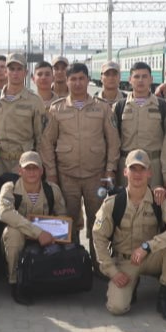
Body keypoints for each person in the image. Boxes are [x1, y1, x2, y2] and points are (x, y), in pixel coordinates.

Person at [91, 150, 166, 320]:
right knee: (117, 307)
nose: (137, 174)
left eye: (142, 169)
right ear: (125, 172)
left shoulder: (160, 200)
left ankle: (164, 298)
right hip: (126, 261)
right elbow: (98, 237)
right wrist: (112, 272)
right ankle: (132, 284)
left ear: (150, 173)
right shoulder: (113, 203)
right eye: (133, 169)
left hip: (152, 256)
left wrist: (148, 246)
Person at [0, 53, 48, 276]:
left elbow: (41, 138)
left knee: (20, 209)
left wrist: (42, 168)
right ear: (5, 71)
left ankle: (21, 261)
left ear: (25, 72)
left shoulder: (34, 101)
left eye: (19, 69)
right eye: (11, 68)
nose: (15, 73)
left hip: (22, 165)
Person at [40, 62, 120, 248]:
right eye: (73, 79)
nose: (77, 83)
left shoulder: (102, 108)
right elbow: (47, 143)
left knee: (98, 222)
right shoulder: (57, 109)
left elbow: (113, 141)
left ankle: (97, 260)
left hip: (96, 176)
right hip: (66, 176)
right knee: (68, 222)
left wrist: (110, 170)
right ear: (67, 81)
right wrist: (51, 173)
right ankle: (73, 258)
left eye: (81, 78)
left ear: (88, 80)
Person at [0, 151, 69, 305]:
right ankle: (16, 282)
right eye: (27, 168)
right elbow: (4, 213)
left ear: (42, 171)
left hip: (45, 241)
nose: (31, 172)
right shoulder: (9, 188)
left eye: (35, 168)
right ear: (20, 170)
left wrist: (59, 236)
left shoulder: (52, 190)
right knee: (13, 232)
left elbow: (63, 218)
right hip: (20, 239)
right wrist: (37, 232)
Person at [114, 61, 166, 186]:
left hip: (153, 165)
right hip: (127, 164)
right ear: (130, 80)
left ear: (151, 79)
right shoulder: (120, 106)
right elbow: (114, 139)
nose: (140, 80)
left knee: (154, 197)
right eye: (136, 76)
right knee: (127, 197)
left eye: (144, 76)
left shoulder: (162, 105)